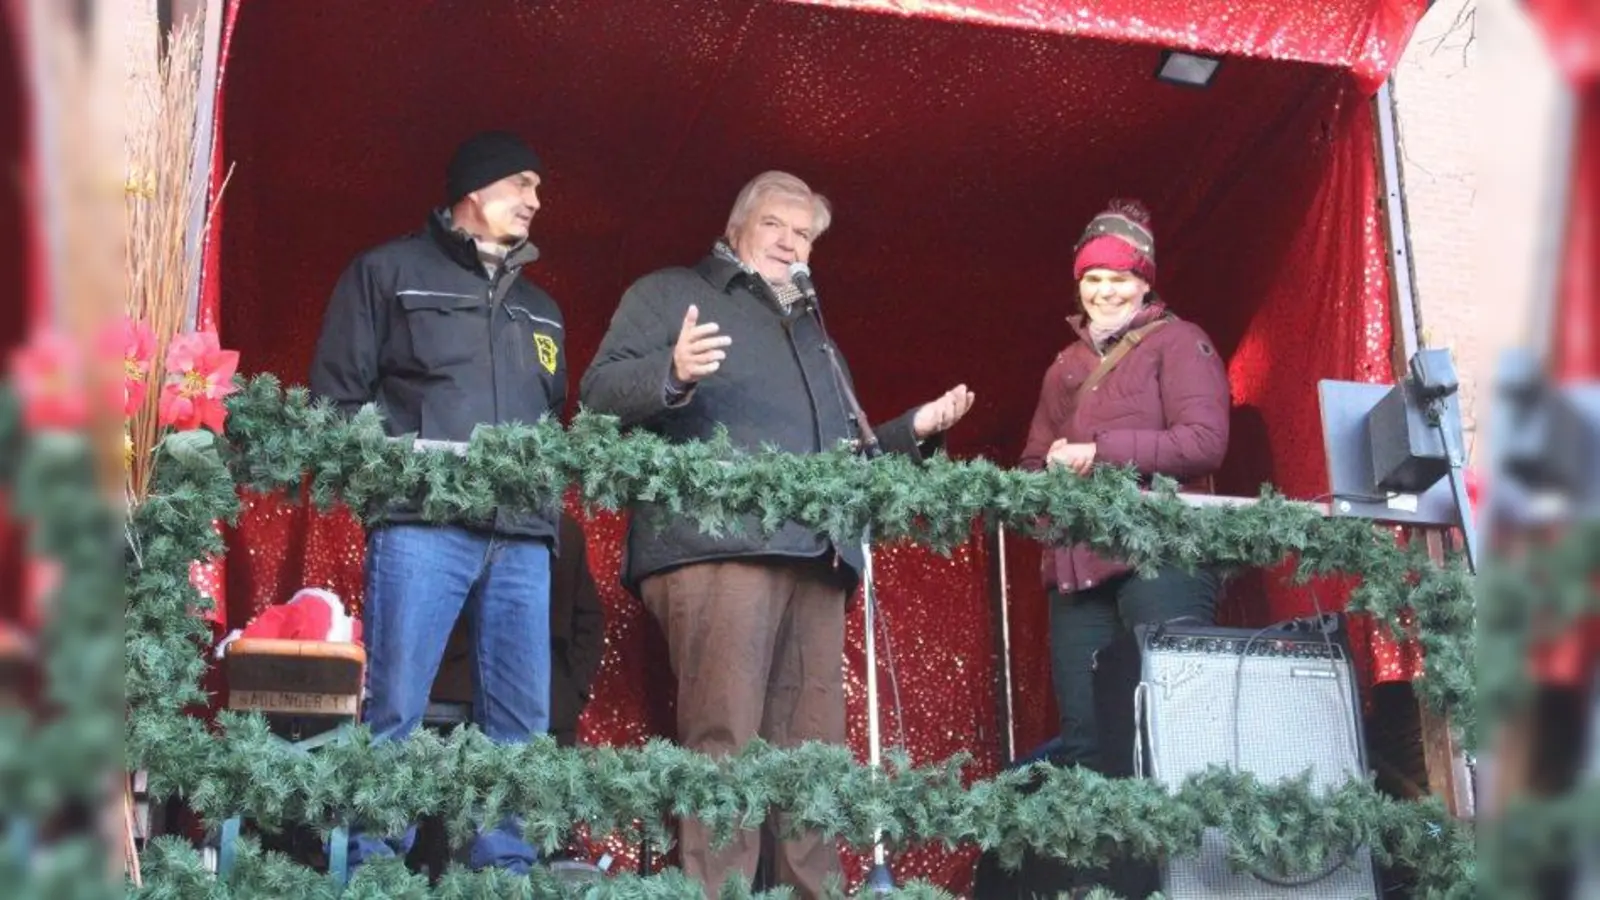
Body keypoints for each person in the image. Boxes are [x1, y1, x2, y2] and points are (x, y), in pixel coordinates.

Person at [579, 171, 974, 898]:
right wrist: (671, 371)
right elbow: (598, 394)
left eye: (806, 238)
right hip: (716, 547)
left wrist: (911, 432)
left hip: (816, 558)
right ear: (737, 231)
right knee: (725, 739)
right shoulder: (671, 293)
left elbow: (845, 462)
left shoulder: (818, 339)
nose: (792, 246)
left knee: (813, 755)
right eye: (777, 228)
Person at [308, 130, 565, 873]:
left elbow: (556, 420)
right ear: (476, 190)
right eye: (523, 183)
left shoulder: (544, 308)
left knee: (522, 725)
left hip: (521, 535)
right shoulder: (387, 272)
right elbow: (336, 400)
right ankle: (376, 871)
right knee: (396, 711)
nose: (536, 201)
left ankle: (505, 875)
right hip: (421, 525)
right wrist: (397, 473)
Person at [1018, 199, 1230, 773]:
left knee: (1172, 727)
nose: (1105, 291)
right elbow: (1033, 465)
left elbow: (1205, 442)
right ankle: (1098, 866)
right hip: (1079, 569)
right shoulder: (1063, 365)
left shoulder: (1181, 341)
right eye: (1092, 278)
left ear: (1144, 284)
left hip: (1162, 555)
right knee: (1086, 742)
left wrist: (1099, 454)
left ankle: (1182, 866)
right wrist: (1051, 511)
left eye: (1119, 278)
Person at [431, 511, 605, 748]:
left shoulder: (564, 530)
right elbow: (589, 620)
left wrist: (573, 688)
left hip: (458, 696)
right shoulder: (562, 527)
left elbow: (589, 619)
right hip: (456, 699)